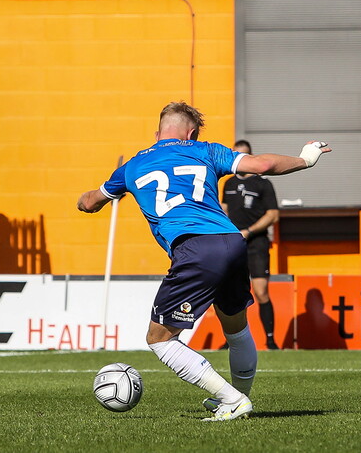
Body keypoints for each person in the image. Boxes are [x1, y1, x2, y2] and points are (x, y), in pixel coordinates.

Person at [76, 102, 330, 421]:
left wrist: (87, 200)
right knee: (236, 328)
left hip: (195, 249)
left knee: (160, 339)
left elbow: (90, 202)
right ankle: (238, 398)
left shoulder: (132, 166)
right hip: (233, 241)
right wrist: (305, 159)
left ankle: (233, 400)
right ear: (192, 133)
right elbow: (263, 165)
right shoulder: (206, 151)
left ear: (157, 134)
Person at [221, 140, 280, 350]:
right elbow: (224, 210)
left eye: (244, 155)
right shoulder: (228, 183)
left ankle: (271, 340)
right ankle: (232, 340)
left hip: (256, 243)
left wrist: (249, 231)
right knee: (232, 291)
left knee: (261, 291)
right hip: (234, 244)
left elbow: (273, 215)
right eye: (237, 155)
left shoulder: (262, 183)